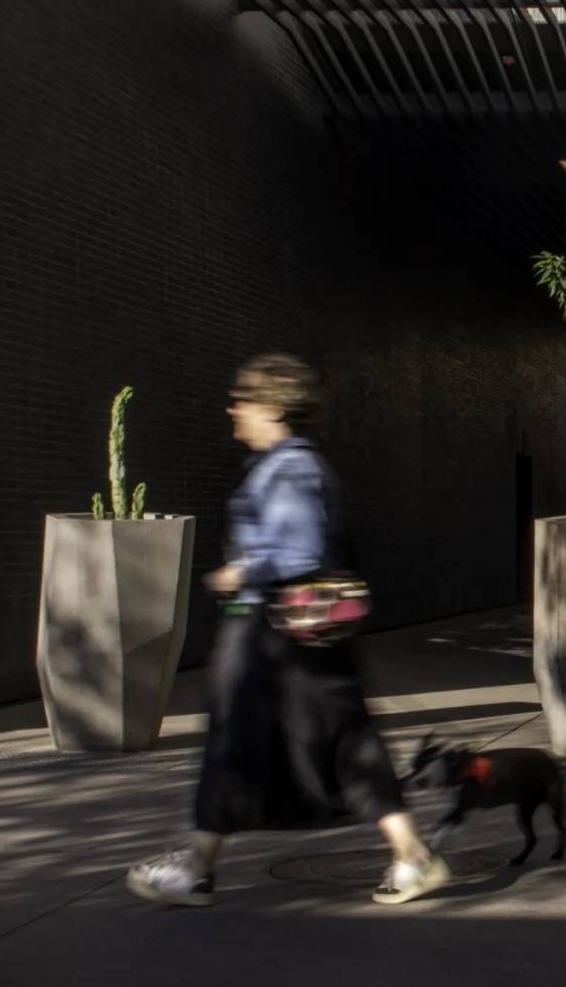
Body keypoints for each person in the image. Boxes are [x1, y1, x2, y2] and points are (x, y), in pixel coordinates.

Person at [126, 354, 451, 910]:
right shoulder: (293, 466)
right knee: (345, 743)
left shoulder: (291, 469)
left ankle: (197, 870)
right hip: (298, 637)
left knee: (239, 743)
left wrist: (240, 572)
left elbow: (297, 551)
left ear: (274, 406)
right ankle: (411, 856)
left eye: (244, 399)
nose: (234, 409)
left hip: (274, 635)